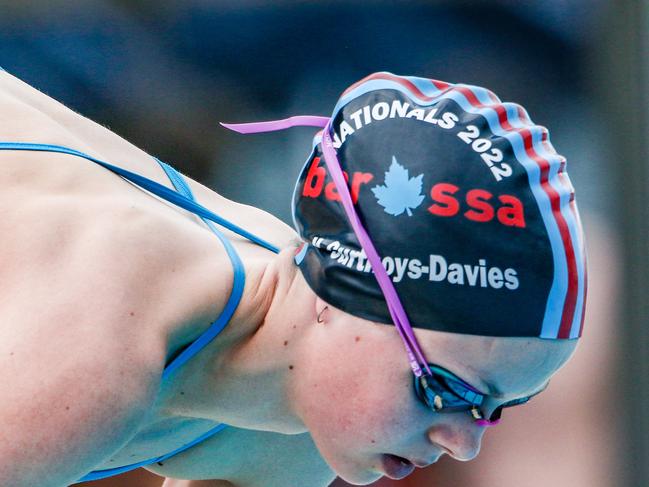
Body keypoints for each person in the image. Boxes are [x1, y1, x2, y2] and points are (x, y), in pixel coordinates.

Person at [0, 68, 586, 487]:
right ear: (340, 297)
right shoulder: (95, 348)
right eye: (445, 391)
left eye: (500, 406)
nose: (463, 444)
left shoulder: (291, 436)